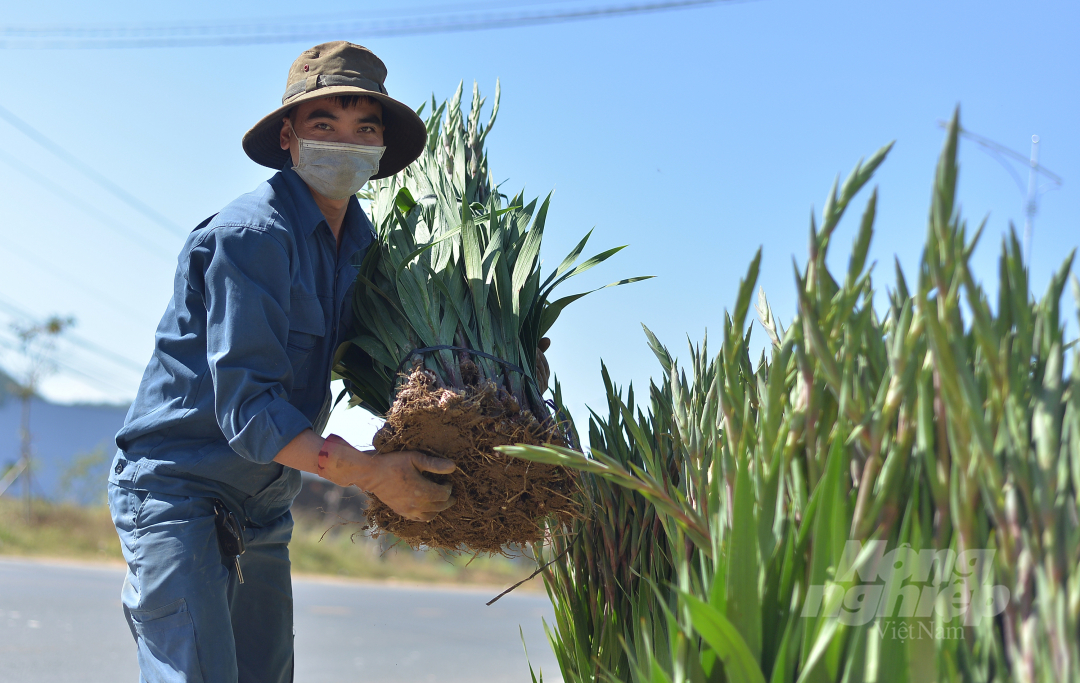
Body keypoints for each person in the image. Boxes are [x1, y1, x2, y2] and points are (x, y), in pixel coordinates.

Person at [107, 41, 458, 682]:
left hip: (263, 502)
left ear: (381, 152)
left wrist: (483, 381)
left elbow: (379, 358)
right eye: (324, 124)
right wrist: (372, 474)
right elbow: (249, 412)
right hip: (180, 491)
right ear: (290, 137)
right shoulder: (251, 236)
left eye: (364, 128)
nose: (345, 141)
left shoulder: (360, 244)